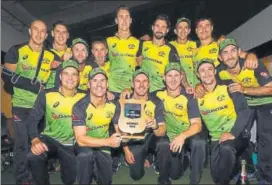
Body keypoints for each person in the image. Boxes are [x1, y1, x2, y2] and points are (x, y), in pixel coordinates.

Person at [2, 20, 57, 184]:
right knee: (22, 145)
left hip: (41, 108)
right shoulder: (17, 50)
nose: (39, 33)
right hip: (21, 106)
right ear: (29, 31)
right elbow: (7, 76)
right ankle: (22, 179)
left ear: (46, 35)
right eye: (36, 29)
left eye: (43, 31)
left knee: (39, 144)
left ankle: (37, 175)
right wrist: (32, 85)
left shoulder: (51, 56)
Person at [216, 38, 272, 184]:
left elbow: (271, 89)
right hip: (245, 106)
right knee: (239, 135)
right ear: (220, 57)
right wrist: (199, 88)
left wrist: (245, 89)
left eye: (233, 51)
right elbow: (209, 83)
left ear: (239, 52)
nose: (230, 56)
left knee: (266, 138)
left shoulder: (252, 64)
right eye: (225, 52)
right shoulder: (220, 72)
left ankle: (265, 178)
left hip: (266, 102)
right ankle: (246, 169)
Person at [27, 59, 86, 185]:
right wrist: (35, 140)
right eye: (66, 73)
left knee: (69, 180)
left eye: (74, 74)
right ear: (60, 76)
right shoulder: (46, 94)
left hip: (72, 144)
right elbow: (32, 120)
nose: (70, 78)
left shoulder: (85, 97)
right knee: (35, 155)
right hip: (51, 140)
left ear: (79, 78)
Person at [195, 58, 251, 185]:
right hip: (215, 138)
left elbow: (244, 111)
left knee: (227, 148)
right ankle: (237, 164)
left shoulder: (228, 86)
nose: (207, 73)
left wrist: (233, 133)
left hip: (237, 133)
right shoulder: (197, 95)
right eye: (202, 71)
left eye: (210, 69)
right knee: (217, 176)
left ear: (215, 71)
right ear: (198, 75)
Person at [113, 69, 167, 183]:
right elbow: (117, 129)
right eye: (138, 81)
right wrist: (126, 150)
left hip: (151, 137)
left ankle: (153, 157)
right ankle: (141, 156)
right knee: (136, 176)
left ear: (149, 84)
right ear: (132, 84)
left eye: (145, 81)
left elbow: (162, 131)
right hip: (134, 140)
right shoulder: (124, 101)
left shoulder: (156, 102)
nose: (141, 85)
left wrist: (155, 126)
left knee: (164, 142)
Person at [156, 63, 206, 185]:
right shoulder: (157, 95)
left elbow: (197, 125)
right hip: (170, 137)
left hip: (188, 135)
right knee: (175, 174)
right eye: (169, 75)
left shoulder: (189, 96)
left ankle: (194, 181)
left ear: (181, 77)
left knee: (199, 142)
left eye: (176, 75)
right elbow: (139, 94)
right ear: (164, 77)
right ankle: (164, 179)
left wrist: (182, 136)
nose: (173, 79)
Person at [72, 68, 122, 184]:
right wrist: (108, 142)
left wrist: (135, 129)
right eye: (94, 81)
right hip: (85, 145)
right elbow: (80, 139)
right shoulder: (79, 106)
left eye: (102, 80)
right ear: (88, 84)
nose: (99, 84)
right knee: (86, 155)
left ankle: (95, 168)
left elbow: (118, 129)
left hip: (103, 145)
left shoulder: (114, 105)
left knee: (106, 181)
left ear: (107, 84)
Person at [140, 14, 191, 93]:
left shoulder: (171, 49)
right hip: (142, 91)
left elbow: (180, 70)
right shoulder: (142, 44)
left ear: (167, 30)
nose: (159, 29)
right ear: (153, 28)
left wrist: (186, 85)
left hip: (160, 93)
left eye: (163, 27)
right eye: (157, 26)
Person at [106, 5, 142, 96]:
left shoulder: (138, 43)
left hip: (131, 91)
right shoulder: (108, 41)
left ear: (130, 20)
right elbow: (100, 65)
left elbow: (141, 69)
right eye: (121, 17)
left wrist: (132, 88)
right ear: (116, 21)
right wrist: (105, 89)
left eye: (127, 17)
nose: (124, 20)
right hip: (112, 91)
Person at [170, 17, 198, 88]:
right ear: (175, 31)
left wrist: (221, 37)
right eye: (180, 28)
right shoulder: (169, 46)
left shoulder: (196, 45)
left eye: (186, 28)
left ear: (189, 31)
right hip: (177, 88)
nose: (183, 30)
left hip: (196, 87)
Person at [45, 20, 72, 89]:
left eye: (64, 32)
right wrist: (49, 67)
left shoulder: (74, 53)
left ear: (68, 35)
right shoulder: (44, 53)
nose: (61, 35)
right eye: (58, 31)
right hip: (49, 93)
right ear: (52, 33)